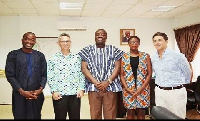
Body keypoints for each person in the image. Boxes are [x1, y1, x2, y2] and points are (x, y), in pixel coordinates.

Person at [78, 29, 124, 119]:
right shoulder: (87, 50)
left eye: (103, 34)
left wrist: (108, 81)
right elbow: (84, 68)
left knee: (110, 115)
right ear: (95, 37)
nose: (100, 36)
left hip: (110, 87)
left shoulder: (113, 49)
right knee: (95, 114)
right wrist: (95, 82)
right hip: (93, 87)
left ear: (106, 37)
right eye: (98, 34)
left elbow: (118, 67)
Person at [5, 32, 47, 119]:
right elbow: (10, 75)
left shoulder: (40, 56)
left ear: (35, 42)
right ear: (22, 40)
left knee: (36, 116)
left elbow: (44, 74)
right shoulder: (13, 55)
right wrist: (22, 92)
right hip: (19, 94)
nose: (29, 42)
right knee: (20, 116)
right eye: (27, 39)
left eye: (32, 40)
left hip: (36, 95)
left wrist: (40, 90)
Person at [151, 32, 191, 119]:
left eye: (159, 40)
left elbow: (188, 72)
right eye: (154, 41)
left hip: (175, 92)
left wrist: (182, 85)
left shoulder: (177, 56)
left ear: (166, 41)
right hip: (159, 91)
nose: (157, 42)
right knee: (161, 116)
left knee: (177, 117)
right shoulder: (153, 58)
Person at [47, 33, 85, 120]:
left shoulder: (77, 57)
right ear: (58, 43)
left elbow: (81, 73)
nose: (65, 43)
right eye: (63, 41)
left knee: (75, 117)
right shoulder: (53, 58)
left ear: (70, 42)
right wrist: (54, 91)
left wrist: (81, 88)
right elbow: (50, 75)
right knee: (60, 117)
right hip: (60, 94)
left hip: (75, 93)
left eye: (67, 41)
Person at [120, 36, 152, 119]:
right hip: (128, 89)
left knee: (141, 112)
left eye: (136, 42)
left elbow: (149, 74)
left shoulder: (145, 56)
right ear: (128, 44)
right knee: (130, 112)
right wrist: (127, 88)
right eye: (132, 42)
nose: (134, 44)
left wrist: (141, 89)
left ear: (139, 43)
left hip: (143, 88)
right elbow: (122, 75)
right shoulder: (124, 57)